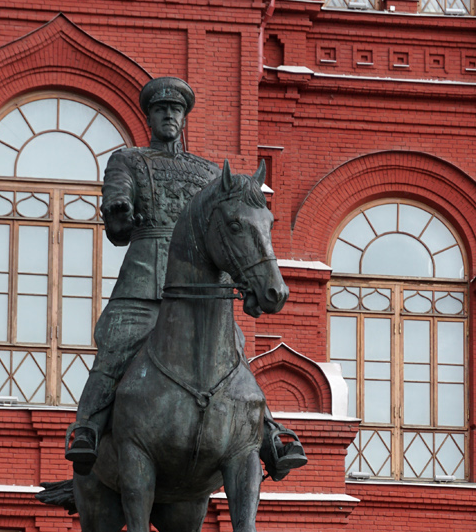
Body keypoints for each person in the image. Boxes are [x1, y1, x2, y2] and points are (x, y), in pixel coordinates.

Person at [64, 75, 306, 483]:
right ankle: (86, 429)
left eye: (175, 111)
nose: (168, 117)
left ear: (184, 118)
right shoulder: (129, 161)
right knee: (115, 346)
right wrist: (118, 208)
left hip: (201, 291)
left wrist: (245, 284)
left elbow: (225, 235)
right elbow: (117, 204)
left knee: (234, 352)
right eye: (161, 111)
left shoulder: (210, 174)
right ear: (151, 117)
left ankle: (269, 435)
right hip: (143, 282)